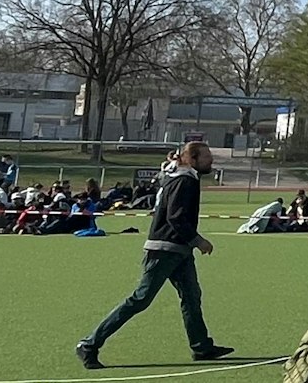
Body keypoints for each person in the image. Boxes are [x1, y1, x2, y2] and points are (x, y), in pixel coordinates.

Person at [77, 141, 233, 369]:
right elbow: (176, 217)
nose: (211, 160)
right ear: (192, 159)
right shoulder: (184, 180)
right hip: (164, 250)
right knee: (140, 299)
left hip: (178, 251)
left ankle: (202, 347)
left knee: (191, 297)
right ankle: (89, 345)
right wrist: (198, 240)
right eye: (207, 156)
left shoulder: (180, 176)